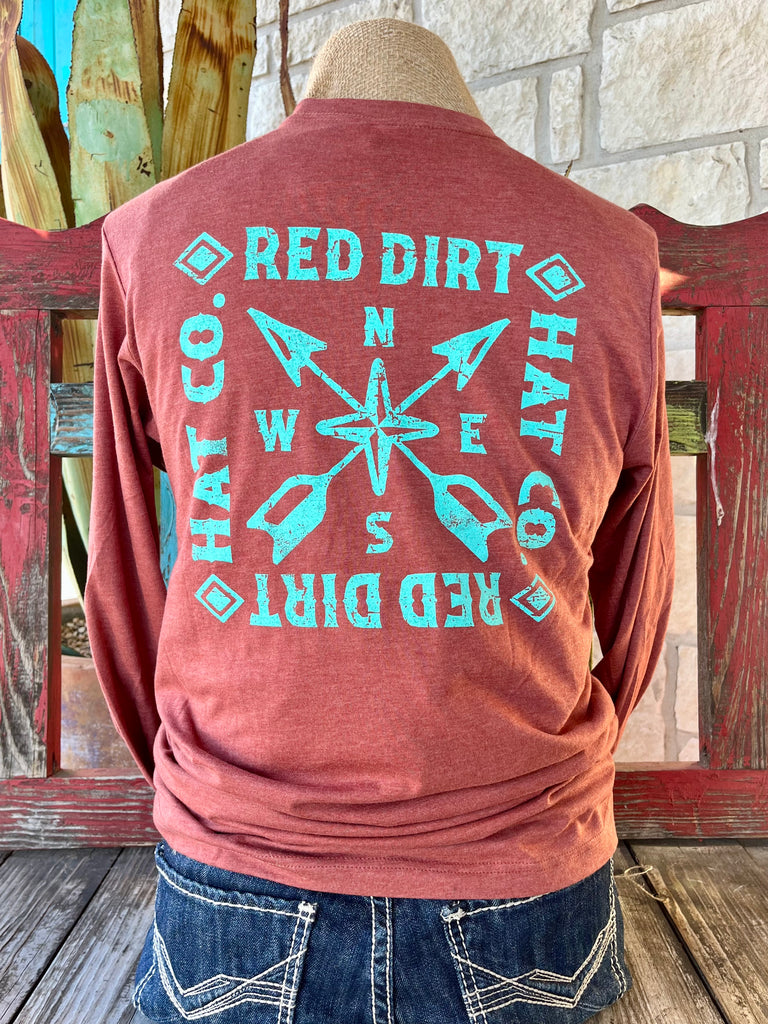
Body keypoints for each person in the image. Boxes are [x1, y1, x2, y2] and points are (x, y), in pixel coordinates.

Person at [85, 16, 675, 1024]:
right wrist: (558, 771)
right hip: (529, 886)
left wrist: (208, 795)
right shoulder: (608, 255)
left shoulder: (161, 236)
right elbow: (635, 597)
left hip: (236, 887)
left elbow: (124, 575)